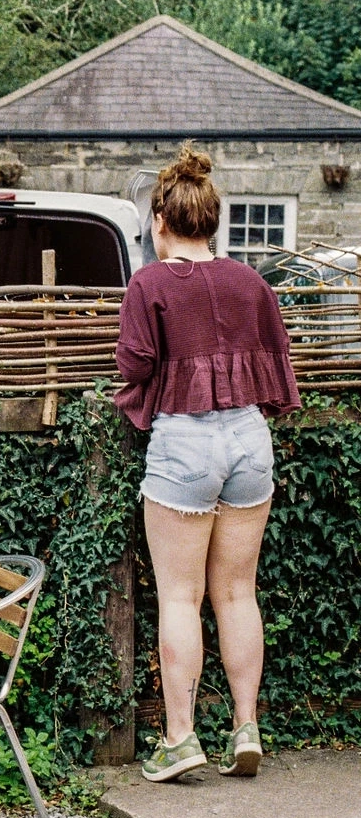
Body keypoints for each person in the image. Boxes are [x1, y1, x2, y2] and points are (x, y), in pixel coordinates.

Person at [114, 146, 299, 783]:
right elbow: (277, 365)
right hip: (250, 439)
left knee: (180, 598)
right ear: (212, 222)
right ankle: (245, 726)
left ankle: (180, 738)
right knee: (238, 594)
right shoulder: (251, 283)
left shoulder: (150, 284)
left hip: (185, 444)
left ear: (160, 221)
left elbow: (135, 364)